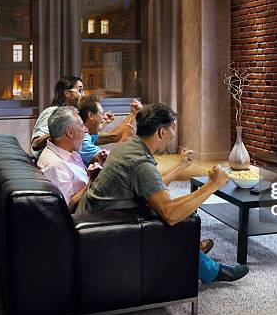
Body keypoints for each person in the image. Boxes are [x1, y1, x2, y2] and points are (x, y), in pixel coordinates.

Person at [77, 103, 249, 283]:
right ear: (161, 132)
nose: (173, 134)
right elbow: (170, 214)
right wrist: (213, 185)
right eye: (172, 128)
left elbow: (151, 185)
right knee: (174, 215)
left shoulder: (129, 147)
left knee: (181, 207)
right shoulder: (140, 162)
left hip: (98, 214)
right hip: (106, 228)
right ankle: (211, 271)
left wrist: (181, 165)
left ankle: (191, 249)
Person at [37, 106, 101, 212]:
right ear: (70, 132)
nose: (86, 130)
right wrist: (92, 181)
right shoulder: (55, 166)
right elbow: (67, 209)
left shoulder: (69, 152)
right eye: (82, 126)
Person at [77, 95, 143, 165]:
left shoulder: (87, 135)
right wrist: (126, 140)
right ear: (90, 116)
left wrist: (133, 113)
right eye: (102, 114)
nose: (104, 117)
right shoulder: (83, 141)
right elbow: (113, 163)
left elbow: (115, 136)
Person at [31, 76, 84, 158]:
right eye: (79, 90)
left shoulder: (70, 114)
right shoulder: (52, 112)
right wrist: (59, 131)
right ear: (67, 93)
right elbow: (36, 143)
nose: (83, 95)